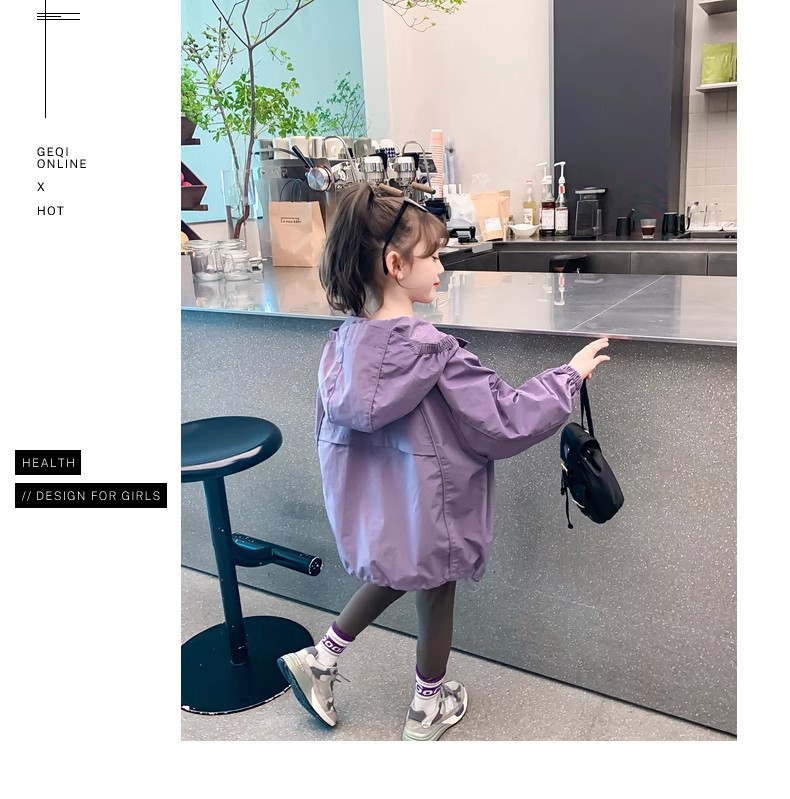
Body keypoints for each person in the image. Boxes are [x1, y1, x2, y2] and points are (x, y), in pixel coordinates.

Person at [277, 182, 610, 741]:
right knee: (435, 589)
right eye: (431, 255)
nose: (441, 266)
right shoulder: (435, 353)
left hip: (379, 507)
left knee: (396, 569)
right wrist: (569, 376)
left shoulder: (340, 348)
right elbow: (505, 419)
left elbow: (330, 435)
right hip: (432, 504)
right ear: (395, 264)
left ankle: (321, 658)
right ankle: (426, 709)